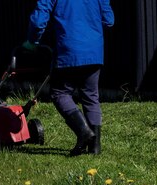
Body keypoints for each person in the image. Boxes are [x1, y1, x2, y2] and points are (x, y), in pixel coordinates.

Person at [23, 0, 114, 156]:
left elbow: (38, 22)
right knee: (91, 97)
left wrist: (32, 41)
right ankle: (95, 148)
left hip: (68, 50)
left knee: (60, 93)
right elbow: (109, 20)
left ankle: (83, 132)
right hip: (94, 52)